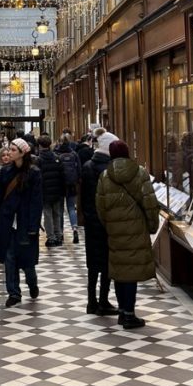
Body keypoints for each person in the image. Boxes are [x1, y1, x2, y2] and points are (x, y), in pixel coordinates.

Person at [96, 140, 159, 329]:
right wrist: (152, 225)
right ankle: (130, 315)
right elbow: (149, 202)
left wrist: (109, 225)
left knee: (120, 271)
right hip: (136, 229)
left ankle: (123, 311)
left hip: (115, 231)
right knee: (130, 272)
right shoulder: (140, 173)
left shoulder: (105, 176)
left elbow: (100, 207)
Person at [0, 137, 43, 307]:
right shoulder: (5, 172)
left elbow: (37, 201)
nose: (9, 152)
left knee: (27, 260)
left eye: (13, 150)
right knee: (9, 258)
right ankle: (13, 293)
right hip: (7, 220)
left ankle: (32, 283)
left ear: (23, 153)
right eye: (9, 149)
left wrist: (33, 226)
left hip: (25, 221)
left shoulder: (34, 173)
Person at [80, 131, 119, 314]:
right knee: (106, 262)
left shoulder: (88, 165)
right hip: (105, 221)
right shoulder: (109, 170)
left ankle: (91, 301)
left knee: (93, 263)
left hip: (90, 220)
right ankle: (103, 300)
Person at [37, 135, 65, 247]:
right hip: (57, 190)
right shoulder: (57, 157)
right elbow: (62, 175)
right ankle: (59, 235)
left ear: (39, 145)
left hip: (45, 191)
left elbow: (38, 177)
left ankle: (51, 237)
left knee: (47, 214)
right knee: (57, 214)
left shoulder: (39, 159)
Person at [57, 138, 82, 243]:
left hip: (60, 185)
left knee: (60, 210)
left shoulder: (56, 154)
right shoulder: (74, 154)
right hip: (71, 184)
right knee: (71, 208)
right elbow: (79, 169)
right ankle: (75, 229)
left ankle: (61, 233)